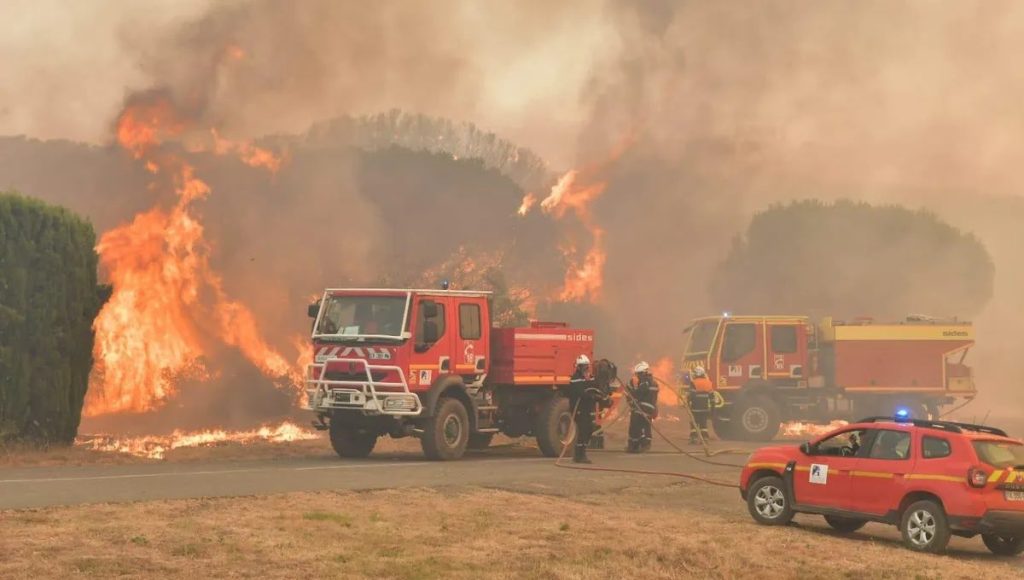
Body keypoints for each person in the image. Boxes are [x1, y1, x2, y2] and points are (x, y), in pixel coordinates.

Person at [568, 354, 599, 464]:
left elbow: (594, 387)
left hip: (587, 408)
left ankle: (581, 452)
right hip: (579, 408)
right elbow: (581, 392)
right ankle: (579, 455)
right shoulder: (575, 379)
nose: (586, 369)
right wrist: (591, 395)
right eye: (584, 366)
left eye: (587, 366)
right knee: (583, 430)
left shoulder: (589, 377)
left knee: (589, 429)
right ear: (578, 367)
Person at [626, 361, 659, 453]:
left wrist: (631, 392)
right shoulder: (653, 382)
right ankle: (644, 444)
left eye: (639, 374)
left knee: (637, 426)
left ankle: (636, 446)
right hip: (649, 408)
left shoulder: (645, 382)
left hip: (642, 408)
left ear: (644, 372)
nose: (638, 376)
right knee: (645, 426)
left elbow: (639, 394)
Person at [685, 366, 714, 444]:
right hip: (705, 408)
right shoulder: (708, 383)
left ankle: (693, 439)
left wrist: (688, 403)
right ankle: (705, 439)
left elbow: (691, 396)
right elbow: (712, 397)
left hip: (695, 408)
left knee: (694, 424)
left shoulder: (693, 383)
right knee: (703, 424)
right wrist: (712, 408)